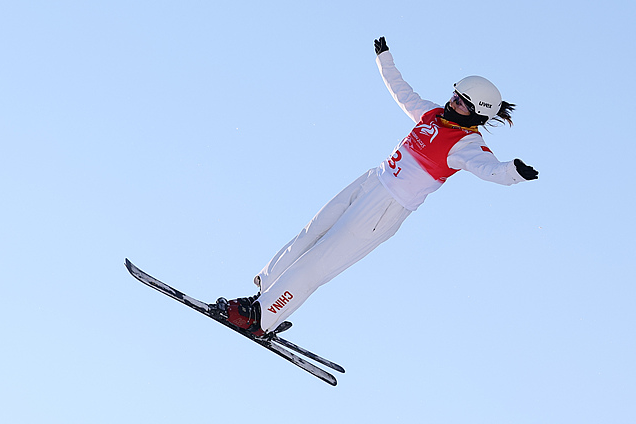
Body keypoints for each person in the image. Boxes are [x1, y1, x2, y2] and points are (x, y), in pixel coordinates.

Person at [214, 36, 539, 336]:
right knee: (309, 235)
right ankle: (260, 295)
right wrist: (385, 59)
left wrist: (514, 170)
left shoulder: (467, 144)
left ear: (477, 114)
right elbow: (403, 92)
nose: (454, 104)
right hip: (372, 180)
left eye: (463, 104)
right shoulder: (432, 115)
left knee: (320, 260)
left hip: (386, 208)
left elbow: (490, 169)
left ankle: (261, 318)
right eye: (455, 95)